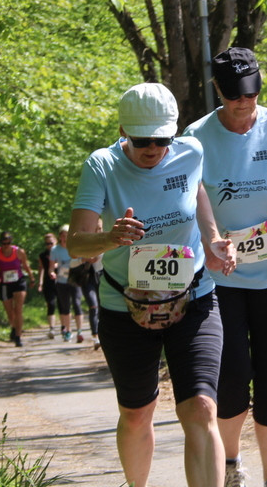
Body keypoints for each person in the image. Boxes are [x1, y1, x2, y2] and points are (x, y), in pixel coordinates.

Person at [69, 82, 236, 487]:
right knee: (137, 412)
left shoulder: (190, 152)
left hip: (192, 297)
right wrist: (111, 238)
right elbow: (75, 242)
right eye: (142, 139)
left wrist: (212, 240)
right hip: (123, 305)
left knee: (200, 408)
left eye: (162, 139)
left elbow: (195, 192)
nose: (153, 148)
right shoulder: (102, 165)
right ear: (124, 131)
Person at [183, 47, 267, 487]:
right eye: (236, 95)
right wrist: (211, 239)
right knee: (233, 372)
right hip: (220, 276)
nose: (246, 103)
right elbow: (189, 200)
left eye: (253, 92)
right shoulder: (196, 137)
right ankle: (231, 463)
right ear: (218, 90)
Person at [0, 231, 33, 347]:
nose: (6, 245)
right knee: (10, 312)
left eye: (8, 243)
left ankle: (18, 337)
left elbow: (25, 265)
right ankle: (14, 327)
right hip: (5, 284)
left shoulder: (18, 252)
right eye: (4, 243)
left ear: (11, 242)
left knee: (18, 309)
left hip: (18, 282)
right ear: (1, 243)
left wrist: (32, 278)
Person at [51, 225, 85, 342]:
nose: (65, 238)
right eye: (63, 236)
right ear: (60, 237)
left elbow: (82, 261)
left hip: (74, 280)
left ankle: (80, 331)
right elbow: (51, 267)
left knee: (76, 303)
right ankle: (68, 330)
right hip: (61, 281)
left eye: (67, 236)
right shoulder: (55, 250)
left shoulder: (75, 247)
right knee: (65, 306)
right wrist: (52, 273)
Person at [36, 232, 60, 339]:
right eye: (47, 244)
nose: (49, 246)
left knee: (62, 304)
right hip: (48, 282)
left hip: (61, 281)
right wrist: (40, 282)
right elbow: (41, 269)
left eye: (51, 243)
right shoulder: (42, 255)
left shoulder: (61, 252)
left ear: (55, 242)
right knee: (51, 304)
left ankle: (65, 327)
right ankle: (52, 328)